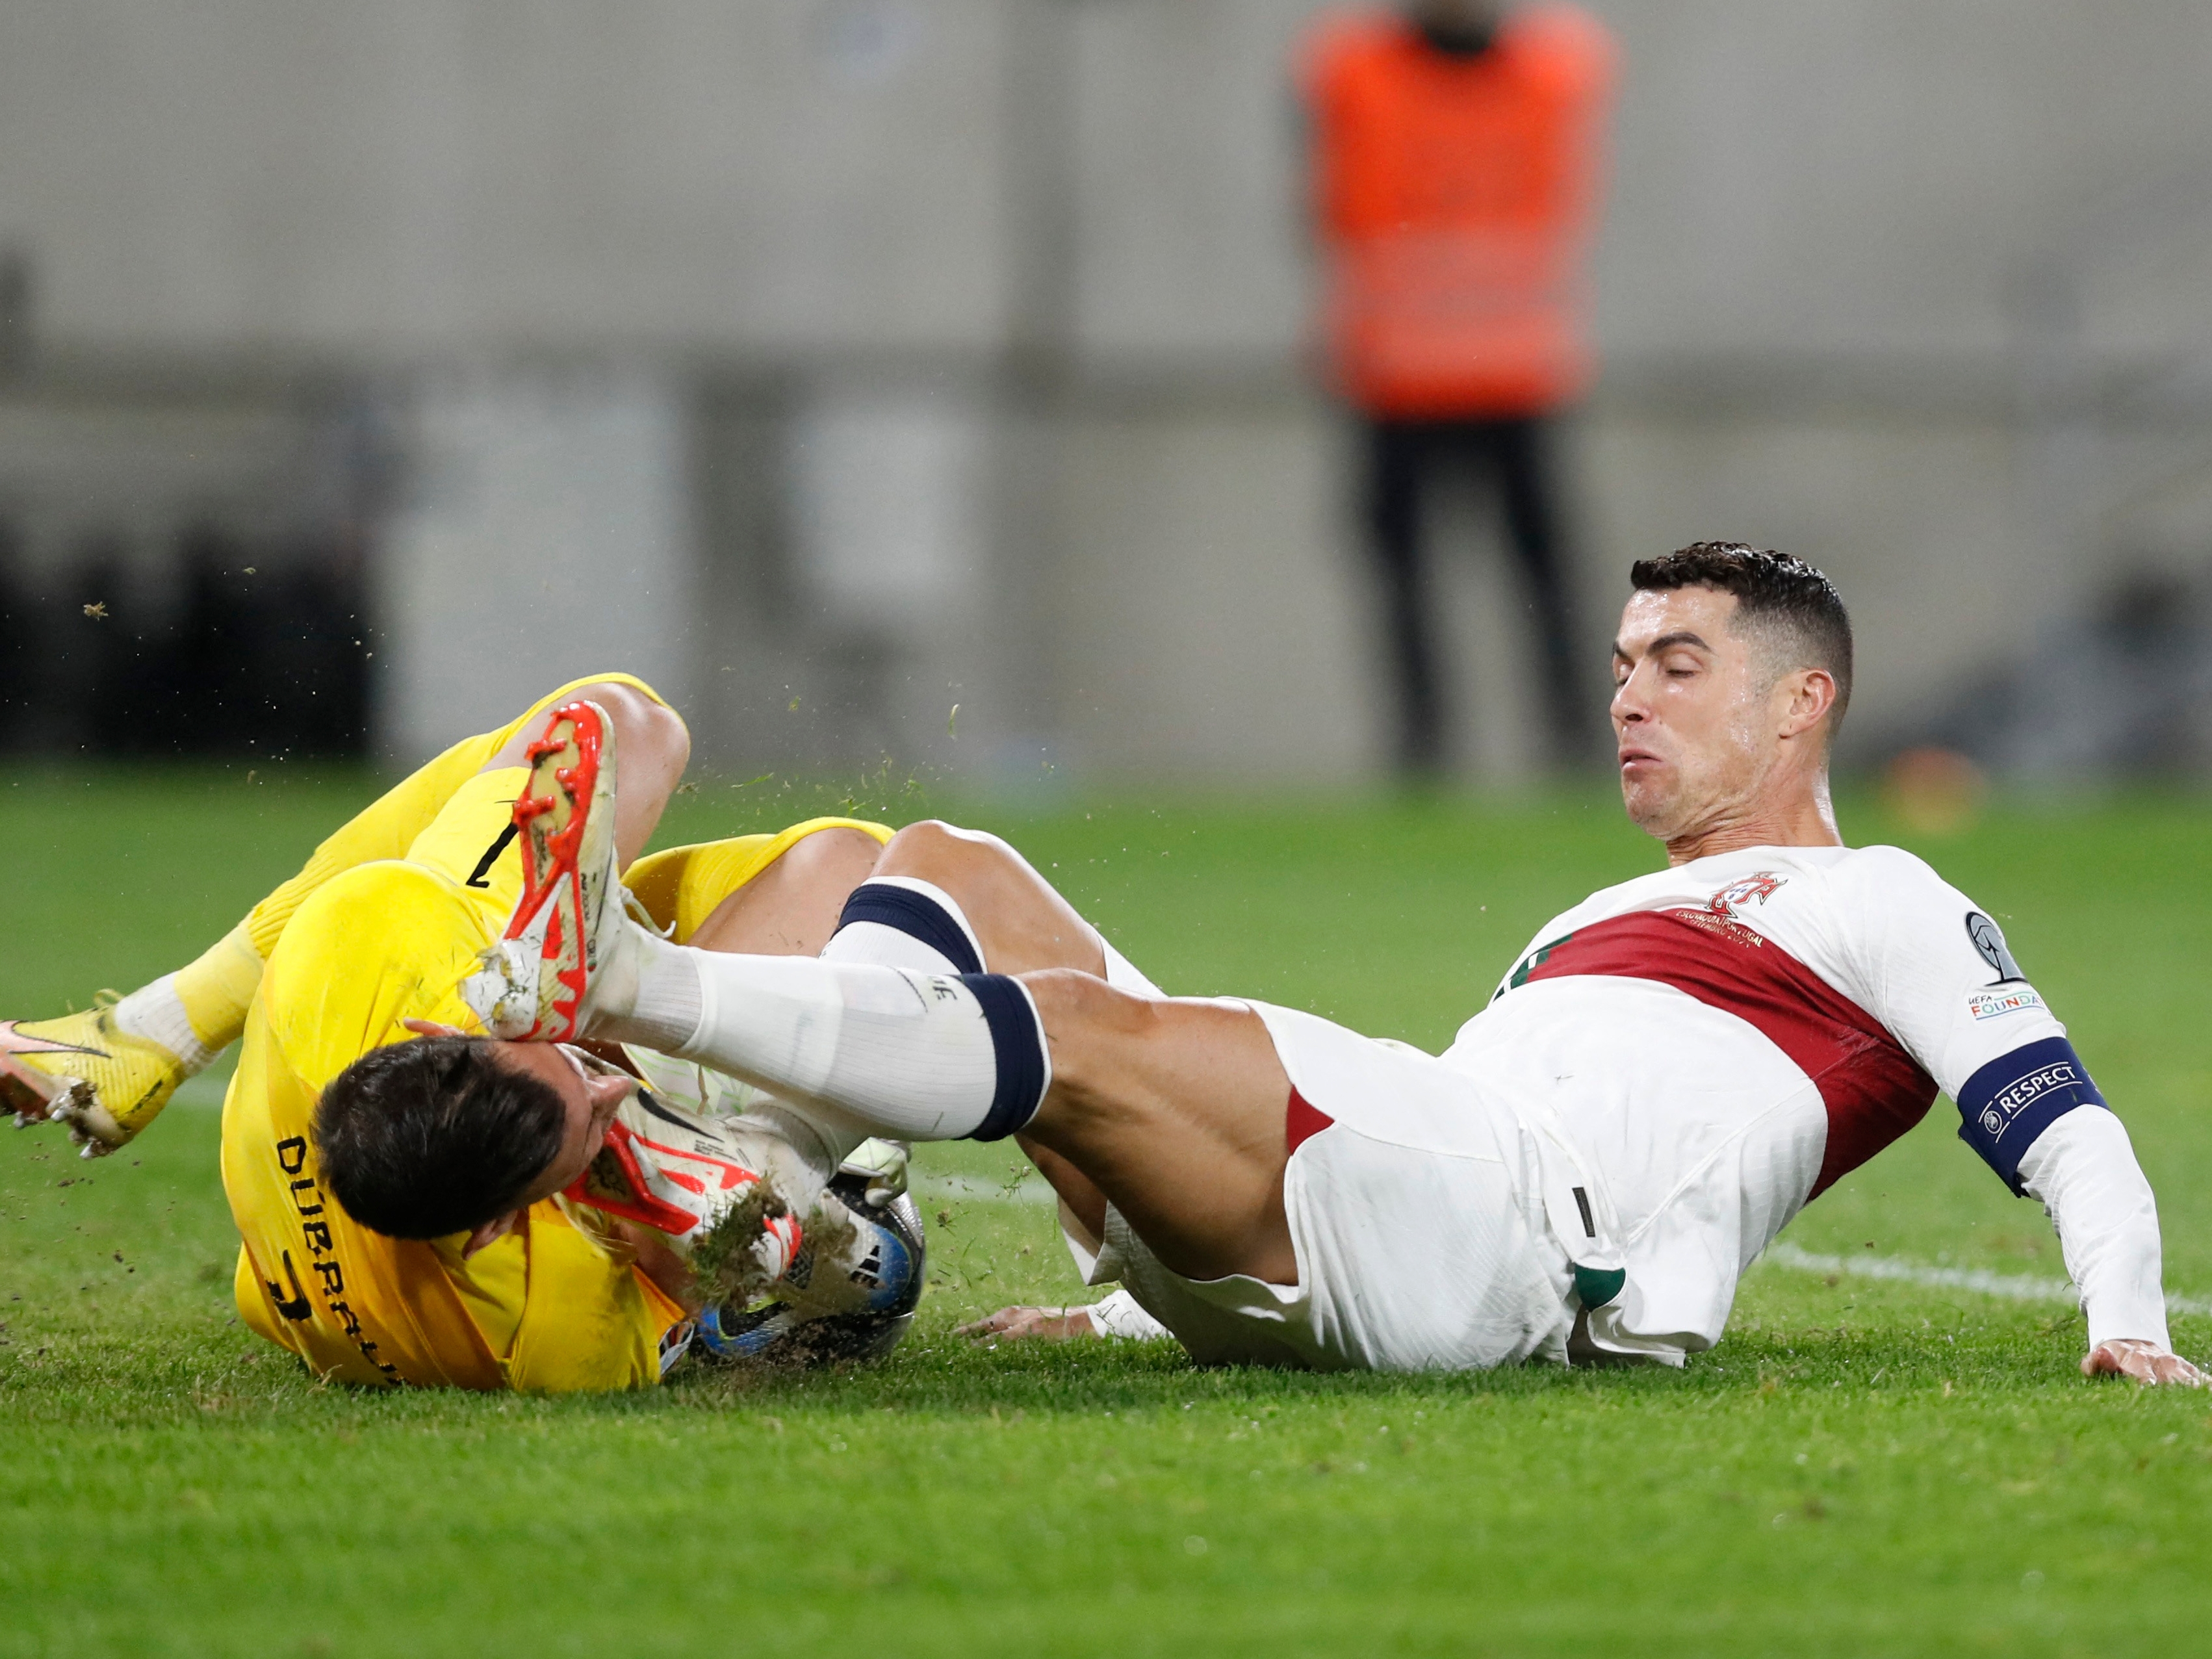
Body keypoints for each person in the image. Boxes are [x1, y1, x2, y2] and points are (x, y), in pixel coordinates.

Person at [443, 545, 2198, 1386]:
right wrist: (1133, 1299)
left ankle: (623, 996)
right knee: (933, 864)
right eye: (1615, 663)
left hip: (1518, 1239)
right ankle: (777, 1224)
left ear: (1801, 701)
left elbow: (2068, 1132)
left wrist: (2122, 1324)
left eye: (1675, 663)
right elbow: (1360, 1185)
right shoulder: (1577, 926)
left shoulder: (1879, 893)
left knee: (1064, 1032)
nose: (1626, 699)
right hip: (1414, 1192)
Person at [1, 675, 913, 1389]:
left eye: (574, 1076)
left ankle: (153, 1032)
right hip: (644, 1253)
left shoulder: (365, 956)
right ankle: (775, 1164)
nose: (609, 1091)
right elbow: (788, 1288)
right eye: (596, 1124)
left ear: (447, 1028)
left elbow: (595, 739)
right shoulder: (559, 1329)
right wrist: (811, 1234)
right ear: (500, 1228)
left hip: (353, 1092)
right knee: (862, 869)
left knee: (615, 730)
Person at [1300, 0, 1616, 776]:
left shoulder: (1556, 66)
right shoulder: (1351, 71)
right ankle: (1422, 752)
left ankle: (1574, 747)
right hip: (1397, 376)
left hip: (1514, 372)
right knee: (1404, 580)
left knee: (1544, 574)